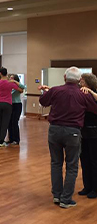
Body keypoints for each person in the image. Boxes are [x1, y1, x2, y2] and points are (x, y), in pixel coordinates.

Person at [39, 67, 97, 209]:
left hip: (54, 130)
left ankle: (57, 195)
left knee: (56, 163)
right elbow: (95, 109)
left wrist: (47, 91)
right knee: (72, 166)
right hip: (73, 132)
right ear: (79, 80)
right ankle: (66, 199)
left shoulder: (56, 90)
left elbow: (43, 101)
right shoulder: (83, 94)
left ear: (65, 77)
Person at [0, 67, 20, 147]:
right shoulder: (10, 83)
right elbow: (19, 88)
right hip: (7, 104)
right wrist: (14, 81)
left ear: (0, 73)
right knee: (5, 123)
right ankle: (1, 141)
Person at [77, 73, 97, 199]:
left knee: (94, 160)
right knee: (84, 160)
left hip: (95, 132)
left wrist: (89, 91)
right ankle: (87, 186)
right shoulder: (80, 93)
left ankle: (95, 188)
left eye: (82, 81)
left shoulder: (93, 93)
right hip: (83, 132)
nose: (80, 83)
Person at [7, 74, 25, 145]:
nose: (10, 79)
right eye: (10, 78)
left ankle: (16, 139)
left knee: (14, 122)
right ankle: (11, 139)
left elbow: (23, 87)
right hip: (10, 104)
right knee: (9, 122)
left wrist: (14, 81)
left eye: (12, 78)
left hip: (17, 105)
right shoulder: (9, 86)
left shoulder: (18, 86)